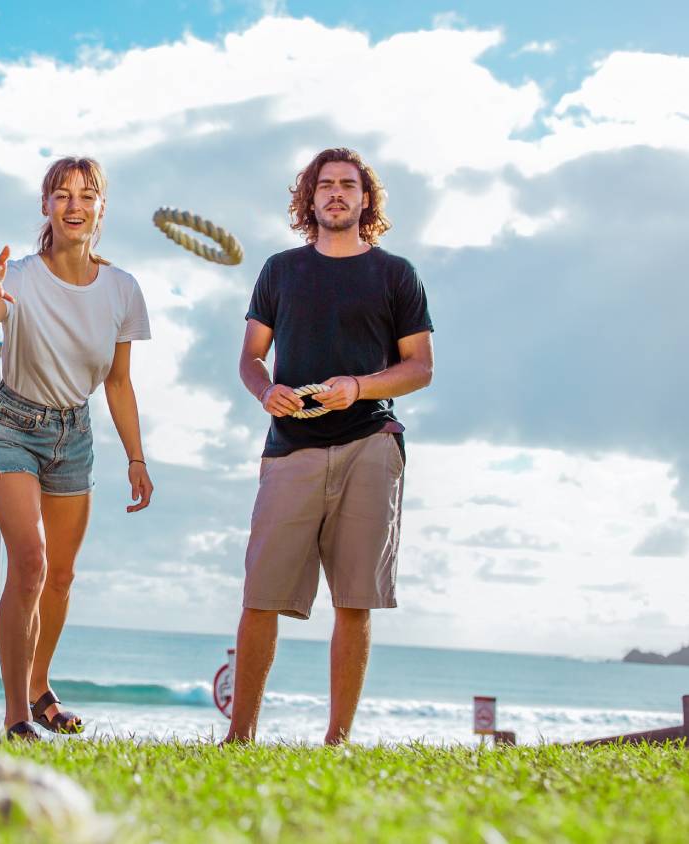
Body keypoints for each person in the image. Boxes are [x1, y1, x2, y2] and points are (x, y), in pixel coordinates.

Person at [227, 147, 434, 745]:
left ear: (365, 198)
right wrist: (266, 392)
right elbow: (249, 357)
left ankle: (337, 742)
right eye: (325, 185)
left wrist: (359, 387)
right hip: (289, 447)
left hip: (370, 441)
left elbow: (420, 368)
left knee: (354, 601)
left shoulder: (396, 274)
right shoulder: (280, 270)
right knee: (261, 596)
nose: (336, 194)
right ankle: (239, 738)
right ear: (309, 198)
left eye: (348, 185)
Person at [0, 156, 153, 741]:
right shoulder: (18, 275)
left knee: (61, 576)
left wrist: (136, 457)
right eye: (62, 195)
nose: (74, 206)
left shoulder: (122, 288)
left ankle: (41, 688)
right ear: (45, 206)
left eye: (86, 195)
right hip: (12, 424)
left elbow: (118, 383)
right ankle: (17, 715)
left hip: (76, 433)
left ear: (101, 208)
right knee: (30, 565)